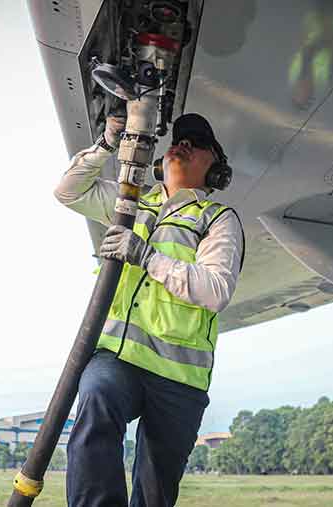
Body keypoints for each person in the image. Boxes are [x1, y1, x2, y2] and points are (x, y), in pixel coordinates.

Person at [54, 112, 244, 507]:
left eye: (197, 142)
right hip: (119, 359)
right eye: (180, 139)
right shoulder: (132, 202)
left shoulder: (216, 219)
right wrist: (106, 143)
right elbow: (68, 192)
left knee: (155, 492)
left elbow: (215, 289)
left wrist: (146, 256)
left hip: (178, 377)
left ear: (216, 169)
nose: (184, 144)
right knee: (97, 395)